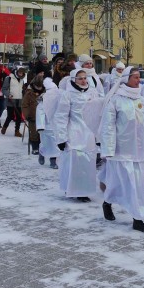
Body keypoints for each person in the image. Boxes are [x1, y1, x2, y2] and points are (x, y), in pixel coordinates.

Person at [99, 66, 144, 233]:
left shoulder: (142, 100)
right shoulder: (116, 100)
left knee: (137, 186)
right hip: (121, 151)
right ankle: (108, 203)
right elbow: (108, 126)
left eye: (139, 77)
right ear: (125, 80)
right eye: (136, 77)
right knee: (122, 184)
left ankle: (137, 218)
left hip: (138, 152)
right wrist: (108, 149)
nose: (139, 80)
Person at [54, 69, 99, 202]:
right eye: (80, 78)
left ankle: (84, 190)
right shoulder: (68, 95)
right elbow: (61, 116)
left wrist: (99, 134)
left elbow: (97, 114)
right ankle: (73, 188)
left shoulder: (93, 92)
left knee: (88, 163)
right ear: (73, 80)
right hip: (74, 132)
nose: (84, 81)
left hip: (89, 133)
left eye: (85, 78)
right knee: (74, 162)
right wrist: (61, 138)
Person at [21, 76, 45, 156]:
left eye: (40, 86)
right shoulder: (29, 93)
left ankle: (43, 147)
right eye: (37, 86)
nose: (38, 88)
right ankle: (35, 147)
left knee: (43, 133)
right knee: (34, 133)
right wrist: (27, 115)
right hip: (33, 116)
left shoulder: (46, 93)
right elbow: (25, 105)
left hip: (44, 117)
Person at [1, 67, 27, 137]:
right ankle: (4, 127)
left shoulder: (22, 80)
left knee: (19, 116)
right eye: (20, 72)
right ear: (17, 71)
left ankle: (17, 131)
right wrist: (8, 95)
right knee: (10, 116)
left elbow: (22, 89)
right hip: (11, 99)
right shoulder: (9, 78)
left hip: (19, 99)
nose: (21, 74)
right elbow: (4, 89)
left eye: (22, 73)